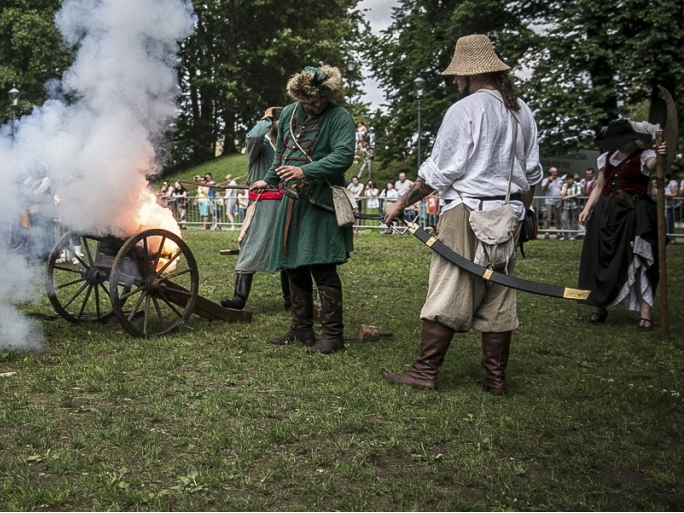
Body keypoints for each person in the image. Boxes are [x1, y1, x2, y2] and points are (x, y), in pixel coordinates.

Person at [381, 34, 542, 395]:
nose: (455, 81)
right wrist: (521, 215)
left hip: (467, 214)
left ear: (474, 74)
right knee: (500, 294)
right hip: (508, 215)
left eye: (458, 75)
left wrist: (399, 204)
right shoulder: (521, 110)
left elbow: (438, 174)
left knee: (450, 288)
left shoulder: (465, 110)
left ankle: (425, 372)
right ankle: (494, 380)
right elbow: (532, 176)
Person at [251, 65, 356, 354]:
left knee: (322, 266)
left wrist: (305, 171)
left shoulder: (340, 117)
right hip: (292, 199)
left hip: (321, 200)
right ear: (299, 97)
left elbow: (343, 156)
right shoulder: (287, 113)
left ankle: (333, 336)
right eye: (310, 100)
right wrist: (269, 179)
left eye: (321, 99)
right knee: (293, 264)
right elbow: (282, 153)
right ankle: (301, 328)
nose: (316, 104)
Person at [577, 119, 666, 330]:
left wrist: (661, 154)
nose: (616, 145)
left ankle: (645, 313)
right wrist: (587, 208)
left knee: (637, 259)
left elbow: (656, 166)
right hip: (604, 214)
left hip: (631, 214)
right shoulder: (605, 158)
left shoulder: (645, 156)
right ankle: (600, 306)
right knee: (600, 258)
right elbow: (600, 186)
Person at [221, 107, 289, 311]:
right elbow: (254, 135)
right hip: (262, 205)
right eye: (279, 120)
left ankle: (291, 299)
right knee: (251, 249)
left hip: (286, 204)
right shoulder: (258, 146)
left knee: (289, 251)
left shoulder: (287, 148)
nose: (282, 124)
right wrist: (268, 118)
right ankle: (239, 299)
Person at [559, 174, 583, 239]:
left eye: (570, 179)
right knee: (564, 219)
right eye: (568, 180)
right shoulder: (564, 185)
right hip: (566, 205)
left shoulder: (577, 185)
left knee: (574, 220)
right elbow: (562, 194)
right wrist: (566, 187)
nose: (569, 181)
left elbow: (578, 194)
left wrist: (568, 197)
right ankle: (565, 235)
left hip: (575, 205)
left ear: (573, 179)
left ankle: (574, 235)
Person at [540, 166, 562, 233]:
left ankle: (558, 232)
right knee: (547, 218)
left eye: (556, 172)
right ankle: (547, 232)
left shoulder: (560, 180)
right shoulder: (545, 180)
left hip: (558, 202)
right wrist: (548, 182)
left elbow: (562, 191)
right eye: (553, 172)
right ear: (550, 173)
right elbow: (543, 189)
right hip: (549, 202)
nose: (555, 173)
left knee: (558, 218)